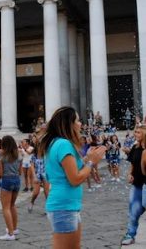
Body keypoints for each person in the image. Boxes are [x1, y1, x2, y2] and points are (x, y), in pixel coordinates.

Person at [39, 106, 106, 249]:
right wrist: (91, 162)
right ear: (69, 123)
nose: (80, 124)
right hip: (63, 205)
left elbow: (66, 171)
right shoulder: (63, 144)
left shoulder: (56, 143)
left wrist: (87, 159)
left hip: (67, 205)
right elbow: (74, 179)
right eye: (77, 120)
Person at [0, 135, 22, 241]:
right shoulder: (19, 155)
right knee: (12, 205)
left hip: (7, 180)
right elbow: (20, 172)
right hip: (17, 180)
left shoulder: (2, 156)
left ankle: (10, 234)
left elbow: (0, 172)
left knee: (5, 208)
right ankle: (14, 229)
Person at [121, 124, 146, 245]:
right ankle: (130, 234)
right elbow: (132, 164)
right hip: (137, 184)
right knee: (133, 211)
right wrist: (129, 174)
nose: (136, 134)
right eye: (135, 132)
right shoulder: (135, 148)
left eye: (139, 132)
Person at [28, 134, 49, 213]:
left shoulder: (46, 155)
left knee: (47, 192)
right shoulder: (34, 156)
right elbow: (32, 166)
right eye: (39, 146)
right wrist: (34, 176)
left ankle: (48, 208)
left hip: (45, 174)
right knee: (36, 192)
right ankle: (32, 202)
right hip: (37, 174)